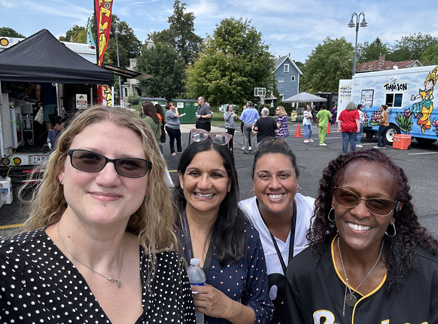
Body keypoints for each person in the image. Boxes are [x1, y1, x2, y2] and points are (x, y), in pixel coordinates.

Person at [0, 106, 195, 322]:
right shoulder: (8, 269)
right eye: (89, 159)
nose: (108, 178)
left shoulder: (166, 267)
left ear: (149, 182)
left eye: (130, 164)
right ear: (60, 169)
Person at [285, 149, 438, 323]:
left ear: (394, 213)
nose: (360, 212)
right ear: (333, 199)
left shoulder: (436, 279)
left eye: (379, 203)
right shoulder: (302, 273)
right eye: (348, 196)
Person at [173, 138, 274, 323]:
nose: (204, 184)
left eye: (216, 175)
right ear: (181, 178)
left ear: (229, 183)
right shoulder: (155, 232)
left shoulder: (246, 237)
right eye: (194, 173)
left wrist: (229, 308)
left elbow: (264, 311)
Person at [239, 137, 315, 323]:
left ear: (296, 179)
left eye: (283, 175)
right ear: (254, 182)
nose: (274, 185)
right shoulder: (239, 218)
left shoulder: (316, 214)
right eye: (264, 176)